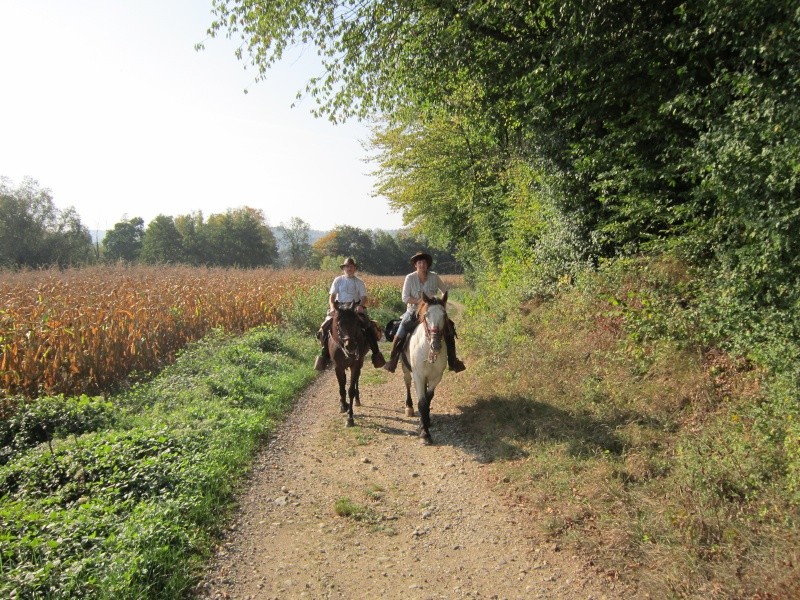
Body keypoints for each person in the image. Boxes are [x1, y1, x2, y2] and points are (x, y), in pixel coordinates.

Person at [383, 251, 466, 373]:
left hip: (432, 312)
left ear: (427, 264)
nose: (422, 265)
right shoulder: (410, 278)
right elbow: (405, 298)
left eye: (424, 262)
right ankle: (392, 361)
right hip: (413, 312)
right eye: (419, 262)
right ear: (415, 265)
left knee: (449, 330)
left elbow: (445, 291)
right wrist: (419, 302)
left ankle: (453, 361)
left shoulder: (434, 277)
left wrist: (440, 303)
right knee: (400, 332)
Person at [315, 257, 386, 370]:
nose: (349, 269)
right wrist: (333, 307)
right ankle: (325, 355)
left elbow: (363, 297)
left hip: (354, 309)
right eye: (347, 266)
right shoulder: (338, 280)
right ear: (344, 268)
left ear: (355, 268)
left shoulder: (359, 282)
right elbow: (332, 297)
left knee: (368, 326)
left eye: (351, 266)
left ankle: (376, 354)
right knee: (324, 327)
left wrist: (361, 306)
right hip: (339, 308)